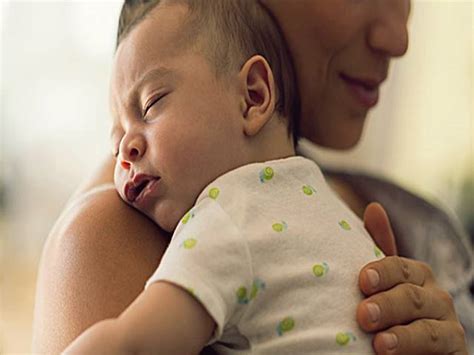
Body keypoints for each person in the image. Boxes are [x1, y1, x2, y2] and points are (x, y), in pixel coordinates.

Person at [32, 0, 470, 354]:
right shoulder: (124, 230)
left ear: (255, 95)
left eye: (151, 105)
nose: (398, 38)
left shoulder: (402, 219)